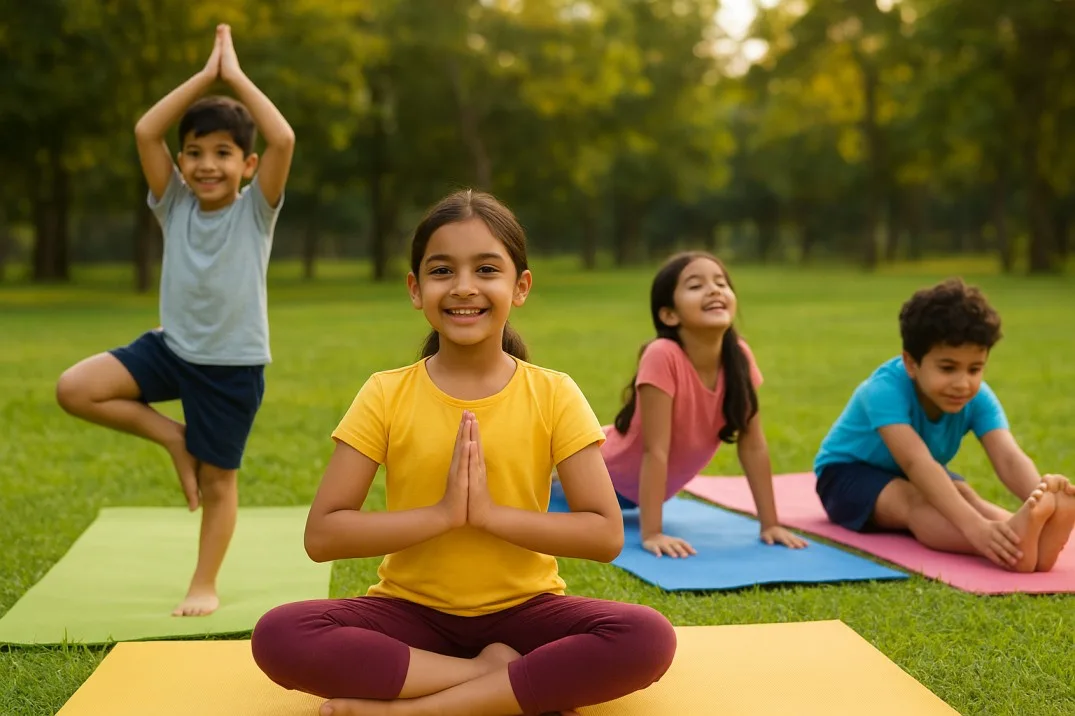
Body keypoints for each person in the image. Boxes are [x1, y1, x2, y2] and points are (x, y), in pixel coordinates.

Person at [250, 190, 677, 716]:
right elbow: (324, 534)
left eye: (487, 269)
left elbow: (605, 533)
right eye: (442, 271)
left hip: (526, 612)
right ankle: (491, 679)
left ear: (520, 286)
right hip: (410, 615)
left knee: (646, 636)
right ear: (415, 288)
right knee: (280, 634)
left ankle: (408, 710)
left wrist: (491, 516)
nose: (464, 288)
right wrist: (443, 515)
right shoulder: (386, 393)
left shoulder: (554, 393)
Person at [54, 24, 295, 616]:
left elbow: (284, 136)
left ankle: (203, 583)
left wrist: (233, 76)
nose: (206, 165)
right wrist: (204, 77)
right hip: (171, 349)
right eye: (194, 152)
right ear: (180, 160)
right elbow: (145, 130)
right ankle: (173, 440)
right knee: (75, 388)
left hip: (230, 368)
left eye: (222, 153)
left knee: (219, 483)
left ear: (248, 164)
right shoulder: (174, 202)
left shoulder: (255, 213)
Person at [814, 278, 1075, 572]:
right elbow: (916, 462)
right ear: (912, 363)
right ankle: (1013, 543)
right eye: (947, 368)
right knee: (916, 501)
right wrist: (976, 530)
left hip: (915, 471)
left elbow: (1008, 457)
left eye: (975, 369)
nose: (962, 383)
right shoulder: (882, 390)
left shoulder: (978, 397)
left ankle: (1029, 535)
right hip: (845, 476)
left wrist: (1041, 496)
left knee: (964, 495)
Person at [601, 251, 807, 558]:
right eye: (696, 285)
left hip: (638, 494)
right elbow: (655, 450)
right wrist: (653, 533)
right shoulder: (663, 354)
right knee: (547, 486)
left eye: (721, 283)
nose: (714, 290)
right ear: (669, 314)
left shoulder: (738, 356)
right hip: (599, 477)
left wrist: (770, 524)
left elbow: (753, 446)